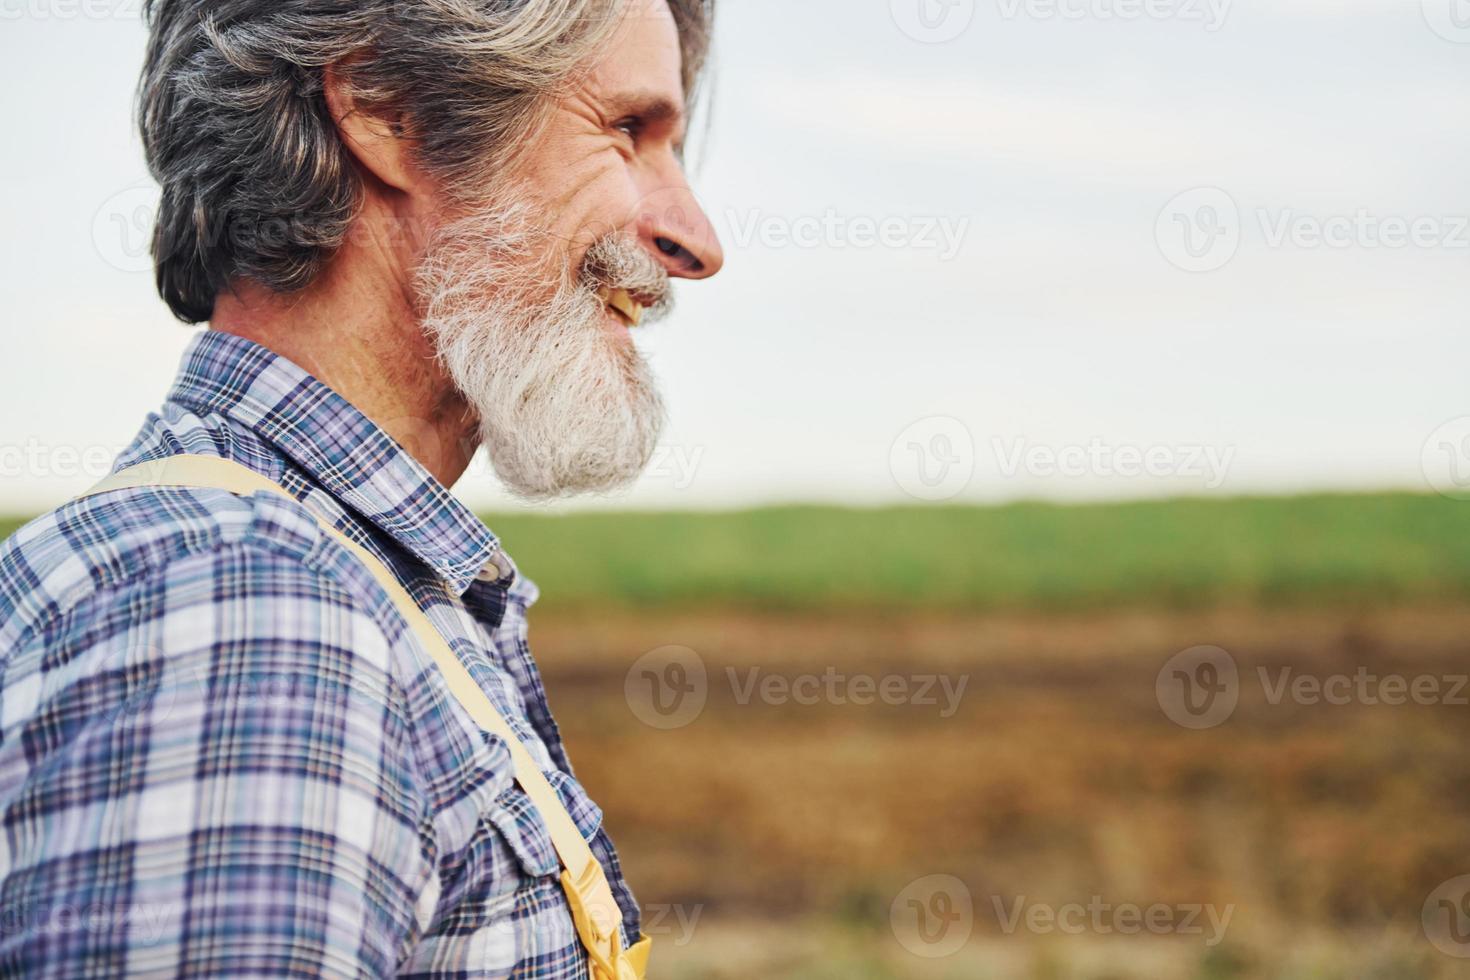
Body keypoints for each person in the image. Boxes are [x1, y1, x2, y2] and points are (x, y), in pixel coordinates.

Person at [0, 0, 723, 975]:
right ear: (385, 107)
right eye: (628, 131)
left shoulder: (315, 577)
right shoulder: (257, 618)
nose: (696, 237)